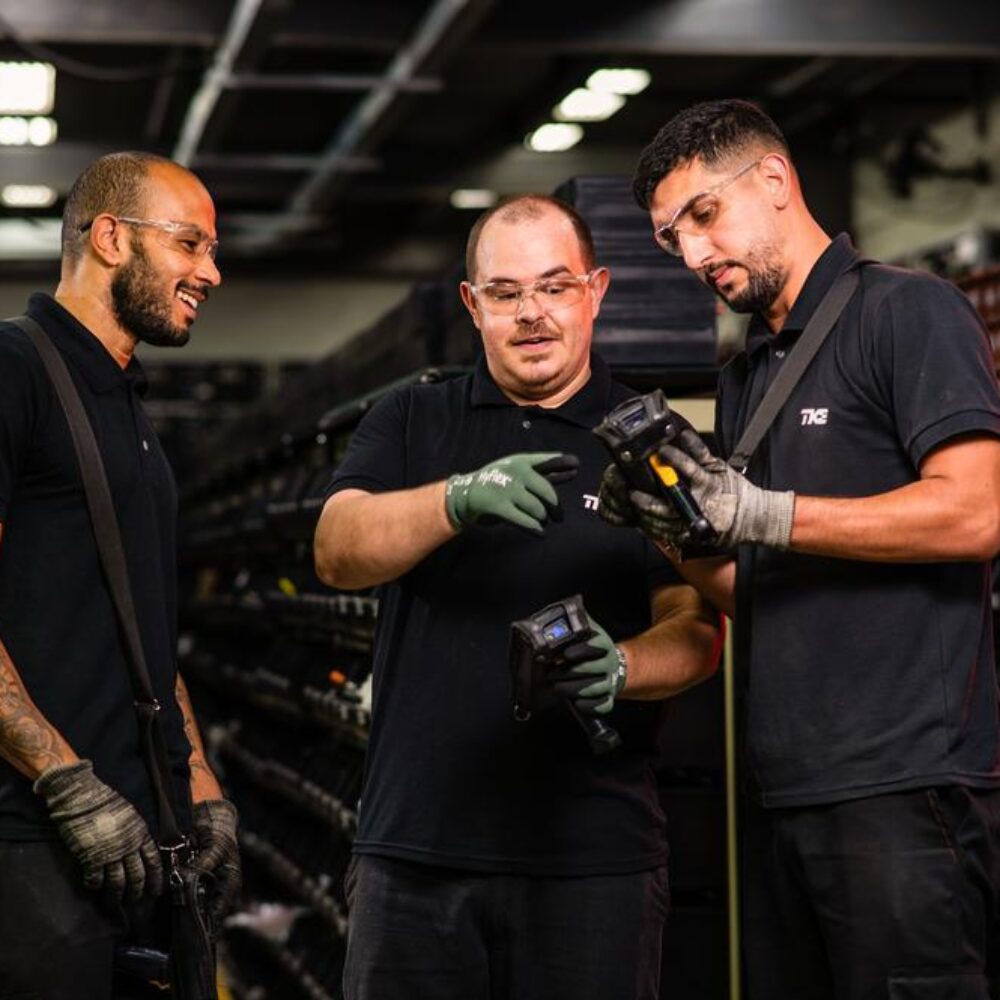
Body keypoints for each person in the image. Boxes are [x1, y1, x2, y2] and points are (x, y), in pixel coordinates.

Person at [603, 98, 1000, 999]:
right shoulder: (750, 368)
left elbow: (977, 513)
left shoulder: (909, 312)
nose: (695, 253)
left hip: (904, 788)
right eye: (672, 238)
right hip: (784, 789)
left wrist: (764, 512)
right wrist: (674, 533)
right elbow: (761, 591)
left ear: (776, 181)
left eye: (703, 215)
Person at [313, 194, 722, 1000]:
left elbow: (701, 624)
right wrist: (455, 497)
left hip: (594, 862)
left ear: (596, 290)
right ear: (472, 304)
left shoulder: (659, 442)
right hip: (415, 857)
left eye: (555, 286)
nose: (532, 313)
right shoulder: (411, 420)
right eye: (505, 293)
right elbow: (336, 550)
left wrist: (623, 667)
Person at [0, 151, 241, 999]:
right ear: (110, 237)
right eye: (189, 244)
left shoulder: (125, 406)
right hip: (33, 843)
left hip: (147, 840)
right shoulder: (14, 371)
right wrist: (66, 782)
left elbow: (142, 625)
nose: (210, 272)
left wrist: (201, 787)